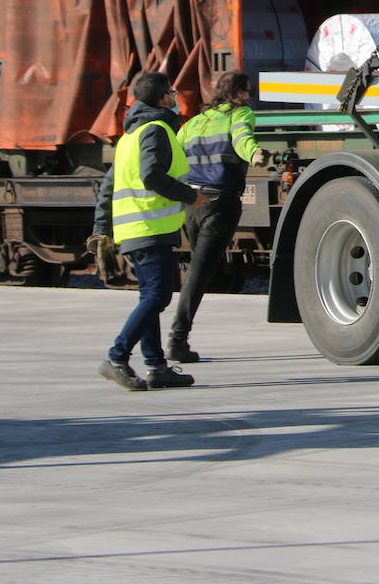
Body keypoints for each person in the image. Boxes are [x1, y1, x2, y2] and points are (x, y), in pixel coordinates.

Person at [88, 71, 204, 391]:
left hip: (136, 229)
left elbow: (108, 188)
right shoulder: (156, 131)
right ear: (162, 98)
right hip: (149, 227)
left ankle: (156, 366)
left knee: (150, 297)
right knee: (158, 295)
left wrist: (101, 229)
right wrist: (190, 195)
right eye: (172, 91)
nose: (176, 96)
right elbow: (152, 176)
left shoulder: (128, 138)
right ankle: (116, 356)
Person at [168, 71, 268, 362]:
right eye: (247, 91)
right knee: (200, 273)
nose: (249, 97)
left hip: (192, 204)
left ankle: (178, 337)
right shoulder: (240, 114)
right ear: (236, 93)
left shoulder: (195, 122)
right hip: (220, 202)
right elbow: (242, 139)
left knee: (198, 270)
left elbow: (174, 155)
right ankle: (177, 339)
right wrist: (254, 155)